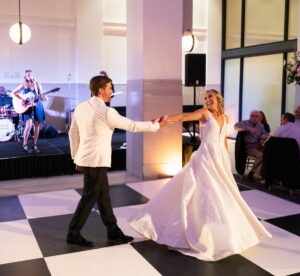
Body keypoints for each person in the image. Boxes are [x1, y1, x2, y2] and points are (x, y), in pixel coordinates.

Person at [129, 90, 271, 261]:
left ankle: (221, 232)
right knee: (206, 192)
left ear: (218, 99)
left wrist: (225, 160)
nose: (207, 100)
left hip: (220, 158)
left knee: (224, 193)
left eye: (210, 97)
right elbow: (185, 117)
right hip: (205, 157)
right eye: (205, 98)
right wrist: (166, 118)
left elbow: (223, 139)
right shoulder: (205, 113)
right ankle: (200, 232)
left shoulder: (226, 118)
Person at [67, 75, 167, 247]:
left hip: (86, 158)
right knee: (90, 197)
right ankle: (73, 233)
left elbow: (72, 133)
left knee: (103, 195)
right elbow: (132, 126)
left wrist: (76, 156)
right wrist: (156, 125)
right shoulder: (106, 111)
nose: (111, 92)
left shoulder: (81, 107)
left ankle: (112, 230)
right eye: (109, 88)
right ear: (101, 90)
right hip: (96, 160)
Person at [11, 70, 47, 153]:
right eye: (27, 75)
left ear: (33, 75)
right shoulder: (24, 84)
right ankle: (25, 144)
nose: (29, 76)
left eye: (30, 74)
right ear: (25, 77)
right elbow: (13, 93)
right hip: (27, 107)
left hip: (37, 105)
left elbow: (41, 96)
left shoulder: (37, 84)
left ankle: (34, 144)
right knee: (29, 125)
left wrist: (44, 97)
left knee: (37, 125)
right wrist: (21, 100)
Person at [234, 110, 269, 181]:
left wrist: (264, 135)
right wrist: (248, 129)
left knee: (269, 153)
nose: (255, 118)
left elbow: (265, 133)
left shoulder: (260, 125)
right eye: (253, 116)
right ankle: (252, 173)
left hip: (258, 145)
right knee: (260, 155)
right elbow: (235, 127)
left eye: (257, 116)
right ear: (250, 116)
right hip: (249, 146)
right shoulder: (245, 123)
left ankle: (265, 175)